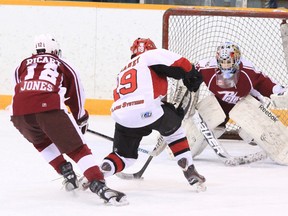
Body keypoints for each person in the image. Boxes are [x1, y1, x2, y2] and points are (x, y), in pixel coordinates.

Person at [10, 34, 127, 205]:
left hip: (18, 111)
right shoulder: (62, 63)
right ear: (54, 50)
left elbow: (20, 91)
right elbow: (76, 93)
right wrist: (81, 118)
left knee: (41, 142)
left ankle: (65, 171)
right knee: (78, 149)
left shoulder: (20, 64)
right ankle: (98, 184)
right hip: (49, 107)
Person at [97, 38, 206, 189]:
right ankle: (188, 168)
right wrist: (191, 73)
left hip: (122, 116)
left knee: (124, 157)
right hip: (149, 110)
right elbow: (179, 63)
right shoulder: (149, 56)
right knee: (174, 133)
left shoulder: (122, 70)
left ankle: (97, 174)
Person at [194, 41, 287, 145]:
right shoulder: (206, 68)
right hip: (221, 103)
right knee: (211, 128)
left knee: (251, 135)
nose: (225, 65)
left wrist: (279, 91)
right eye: (222, 61)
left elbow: (264, 83)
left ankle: (260, 133)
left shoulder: (248, 71)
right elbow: (189, 73)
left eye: (229, 62)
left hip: (246, 101)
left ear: (237, 60)